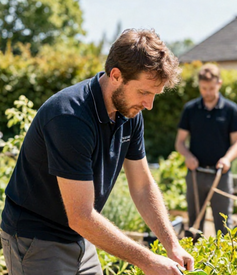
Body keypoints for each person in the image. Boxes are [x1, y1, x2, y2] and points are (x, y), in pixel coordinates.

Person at [0, 29, 193, 275]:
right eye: (144, 92)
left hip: (82, 236)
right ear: (116, 75)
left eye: (154, 95)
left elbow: (143, 186)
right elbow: (80, 216)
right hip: (37, 239)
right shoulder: (69, 117)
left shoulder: (130, 112)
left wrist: (172, 245)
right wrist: (146, 260)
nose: (149, 105)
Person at [176, 63, 237, 236]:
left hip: (220, 174)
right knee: (194, 224)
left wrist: (227, 159)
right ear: (199, 85)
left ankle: (224, 261)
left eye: (211, 88)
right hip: (195, 174)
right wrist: (187, 156)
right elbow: (180, 142)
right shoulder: (190, 109)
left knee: (223, 224)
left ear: (219, 84)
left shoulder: (231, 110)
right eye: (204, 88)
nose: (207, 92)